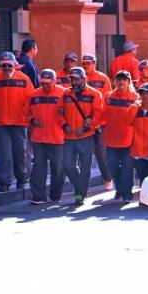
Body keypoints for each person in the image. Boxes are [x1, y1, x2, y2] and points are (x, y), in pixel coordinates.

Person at [0, 52, 34, 192]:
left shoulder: (24, 79)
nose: (6, 67)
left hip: (20, 123)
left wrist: (29, 118)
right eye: (3, 65)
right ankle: (4, 182)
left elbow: (31, 100)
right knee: (5, 154)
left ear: (14, 64)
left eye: (9, 65)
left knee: (20, 153)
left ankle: (21, 179)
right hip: (2, 124)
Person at [61, 67, 104, 205]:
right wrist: (64, 125)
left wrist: (85, 129)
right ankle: (80, 187)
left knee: (85, 167)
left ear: (84, 79)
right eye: (72, 79)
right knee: (67, 165)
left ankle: (80, 194)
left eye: (76, 79)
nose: (73, 81)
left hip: (86, 136)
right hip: (69, 137)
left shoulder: (95, 94)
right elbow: (59, 112)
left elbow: (98, 115)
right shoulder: (65, 94)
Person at [25, 69, 65, 204]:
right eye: (43, 83)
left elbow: (69, 113)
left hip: (57, 137)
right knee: (38, 168)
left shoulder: (63, 94)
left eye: (48, 83)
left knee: (58, 169)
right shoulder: (33, 95)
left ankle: (55, 196)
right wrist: (32, 120)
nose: (46, 85)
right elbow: (25, 113)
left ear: (54, 81)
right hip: (39, 138)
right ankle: (38, 196)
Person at [102, 71, 139, 203]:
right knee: (112, 166)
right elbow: (102, 114)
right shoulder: (108, 96)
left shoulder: (135, 98)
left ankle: (127, 193)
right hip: (111, 139)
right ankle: (120, 189)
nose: (122, 82)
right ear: (115, 82)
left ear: (129, 82)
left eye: (125, 79)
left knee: (127, 168)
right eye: (119, 79)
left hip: (129, 139)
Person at [80, 53, 115, 192]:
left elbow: (108, 100)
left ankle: (108, 179)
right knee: (84, 155)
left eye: (89, 63)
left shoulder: (103, 78)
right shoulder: (79, 78)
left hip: (101, 123)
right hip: (83, 123)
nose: (86, 66)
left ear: (95, 63)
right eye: (84, 64)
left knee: (101, 153)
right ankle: (82, 186)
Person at [132, 84, 148, 185]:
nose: (145, 95)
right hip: (138, 152)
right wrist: (133, 107)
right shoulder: (135, 109)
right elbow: (127, 122)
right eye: (142, 93)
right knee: (143, 181)